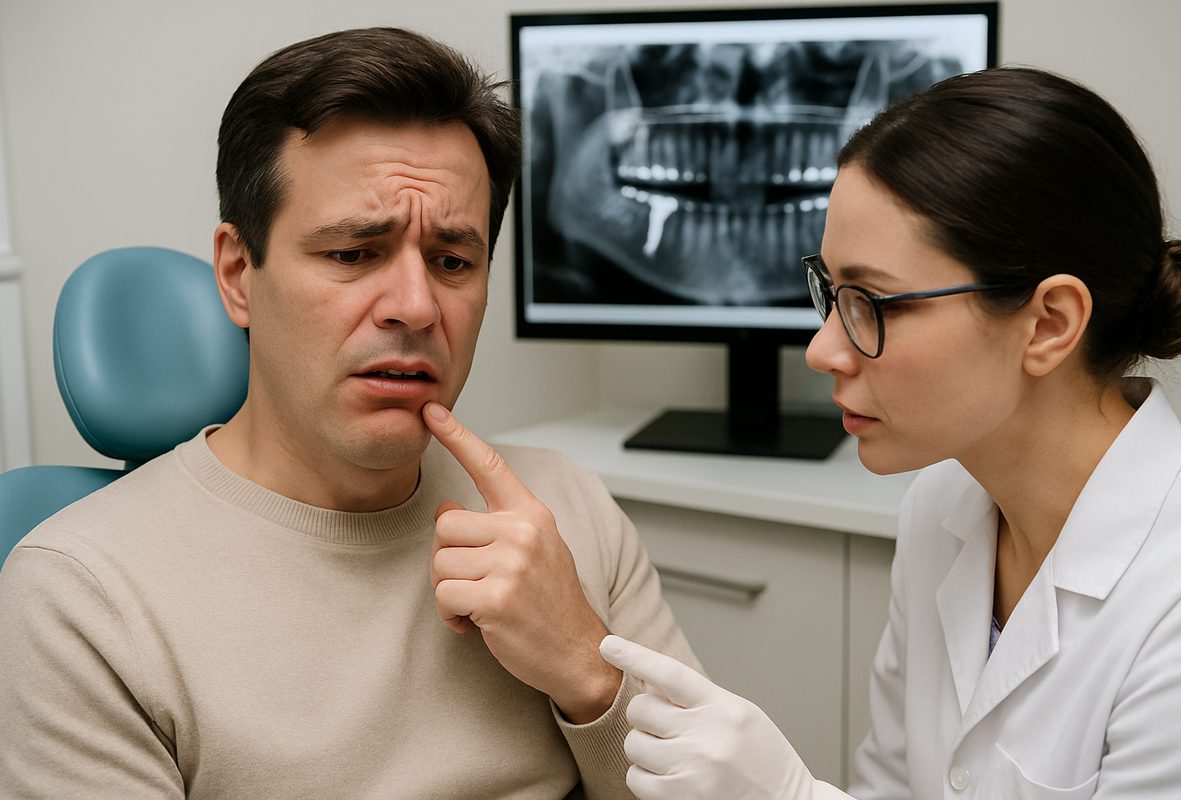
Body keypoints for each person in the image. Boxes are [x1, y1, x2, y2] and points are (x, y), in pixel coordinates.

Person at [0, 27, 698, 799]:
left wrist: (589, 672)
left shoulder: (563, 512)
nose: (415, 306)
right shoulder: (82, 596)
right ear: (238, 273)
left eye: (453, 261)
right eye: (353, 254)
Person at [600, 66, 1181, 799]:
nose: (823, 348)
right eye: (830, 290)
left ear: (1049, 324)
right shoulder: (941, 505)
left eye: (873, 301)